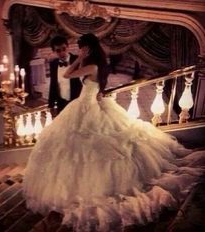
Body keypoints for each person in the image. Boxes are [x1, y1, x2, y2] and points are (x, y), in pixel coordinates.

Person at [23, 33, 205, 231]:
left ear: (89, 49)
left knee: (88, 150)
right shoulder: (98, 65)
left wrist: (81, 59)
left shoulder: (91, 65)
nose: (80, 50)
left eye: (83, 48)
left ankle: (92, 188)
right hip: (90, 103)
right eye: (80, 48)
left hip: (86, 107)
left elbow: (67, 74)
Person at [48, 35, 82, 116]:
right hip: (61, 103)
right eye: (58, 50)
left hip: (77, 102)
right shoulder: (53, 64)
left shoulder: (77, 60)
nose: (62, 53)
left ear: (68, 47)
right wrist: (51, 105)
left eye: (64, 49)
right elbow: (53, 84)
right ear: (54, 51)